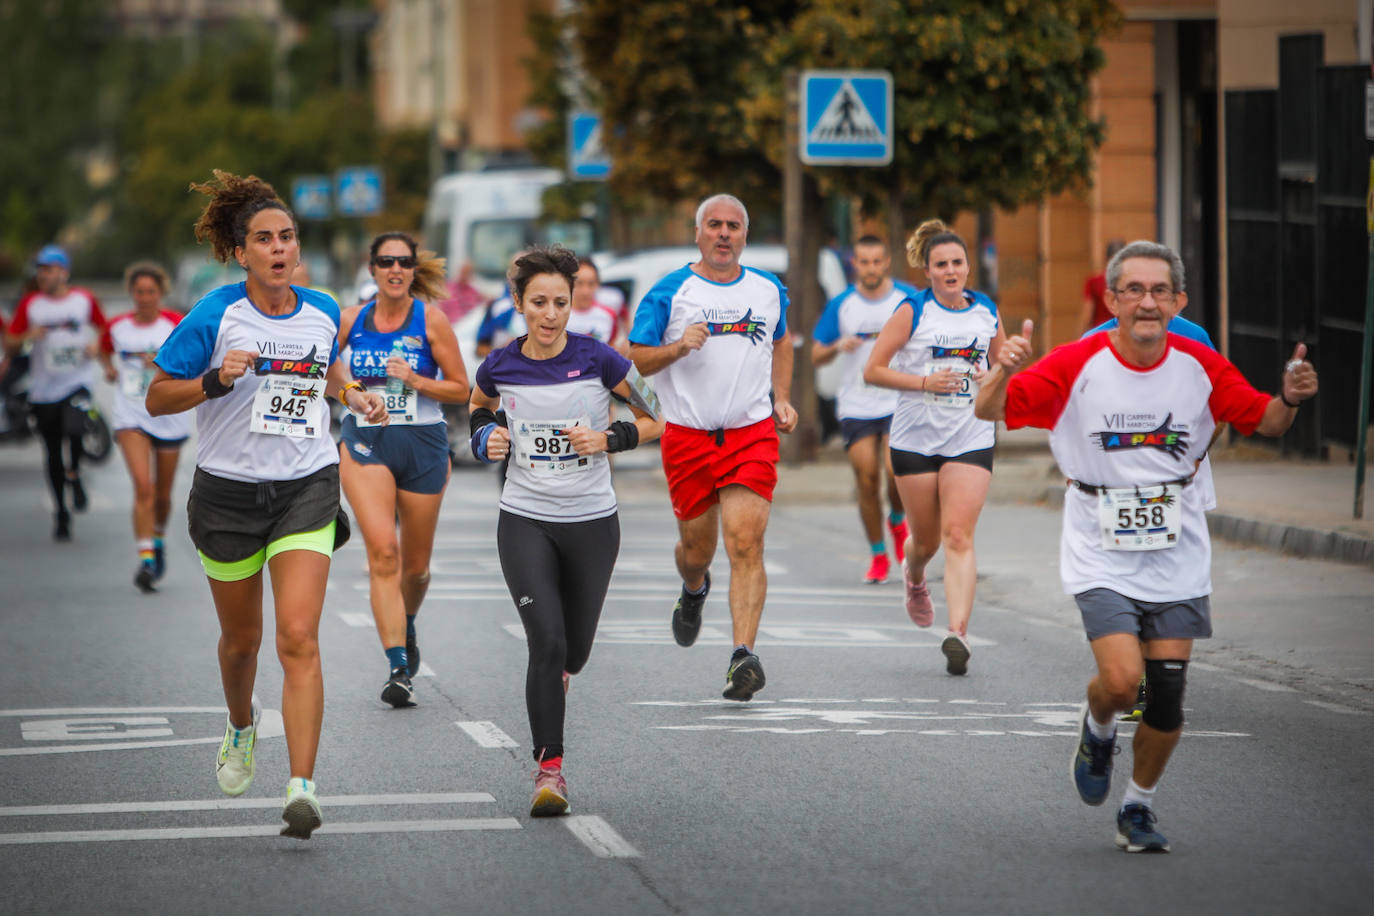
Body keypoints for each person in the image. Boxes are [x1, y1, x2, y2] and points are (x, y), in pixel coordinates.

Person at [974, 239, 1318, 853]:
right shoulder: (1075, 362)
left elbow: (1264, 420)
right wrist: (1003, 367)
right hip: (1098, 540)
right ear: (1111, 300)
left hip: (1176, 544)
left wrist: (1289, 397)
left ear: (1179, 300)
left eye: (1160, 291)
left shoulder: (1199, 362)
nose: (1147, 303)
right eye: (1133, 290)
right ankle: (1098, 724)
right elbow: (990, 410)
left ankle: (1138, 807)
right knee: (1123, 680)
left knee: (1166, 696)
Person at [146, 170, 387, 840]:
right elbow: (156, 397)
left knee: (298, 637)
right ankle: (241, 725)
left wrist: (354, 394)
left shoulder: (321, 309)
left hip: (305, 486)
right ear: (241, 250)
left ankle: (303, 786)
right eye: (264, 239)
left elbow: (328, 370)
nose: (279, 248)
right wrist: (214, 380)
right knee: (241, 644)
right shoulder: (215, 316)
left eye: (287, 237)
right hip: (225, 496)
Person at [468, 245, 662, 816]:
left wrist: (609, 439)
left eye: (561, 302)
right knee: (546, 642)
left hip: (592, 522)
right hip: (524, 517)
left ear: (574, 302)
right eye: (539, 303)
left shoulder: (601, 359)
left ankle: (559, 680)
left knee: (573, 650)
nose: (550, 315)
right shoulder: (500, 364)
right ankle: (549, 771)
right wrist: (486, 439)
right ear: (519, 305)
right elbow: (478, 407)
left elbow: (657, 417)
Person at [628, 193, 797, 701]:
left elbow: (783, 341)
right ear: (698, 232)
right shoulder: (671, 291)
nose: (724, 234)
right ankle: (693, 590)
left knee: (745, 543)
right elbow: (637, 356)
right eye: (715, 225)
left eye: (734, 226)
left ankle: (742, 655)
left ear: (745, 235)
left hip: (751, 433)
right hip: (688, 438)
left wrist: (782, 398)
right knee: (697, 551)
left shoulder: (768, 290)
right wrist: (679, 346)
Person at [862, 220, 1005, 676]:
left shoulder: (986, 311)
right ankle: (915, 575)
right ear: (927, 270)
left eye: (957, 263)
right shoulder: (913, 311)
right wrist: (924, 381)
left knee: (959, 536)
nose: (950, 271)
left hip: (970, 434)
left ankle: (957, 633)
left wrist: (994, 375)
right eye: (941, 264)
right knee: (924, 541)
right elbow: (874, 370)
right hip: (916, 439)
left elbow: (1003, 365)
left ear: (967, 268)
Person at [338, 232, 470, 708]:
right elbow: (328, 370)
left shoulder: (431, 321)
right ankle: (398, 666)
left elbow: (462, 390)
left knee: (415, 570)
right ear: (371, 268)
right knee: (384, 555)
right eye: (386, 261)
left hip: (423, 443)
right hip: (365, 441)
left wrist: (416, 379)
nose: (395, 269)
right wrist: (352, 390)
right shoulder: (350, 320)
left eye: (404, 262)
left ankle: (407, 623)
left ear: (414, 270)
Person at [811, 235, 916, 584]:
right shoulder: (842, 304)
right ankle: (878, 555)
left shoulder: (907, 299)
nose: (870, 268)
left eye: (877, 261)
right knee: (867, 478)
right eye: (864, 262)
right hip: (856, 402)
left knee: (894, 471)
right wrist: (839, 346)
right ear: (854, 264)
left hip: (897, 398)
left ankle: (899, 522)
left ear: (886, 262)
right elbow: (815, 354)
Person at [98, 262, 192, 591]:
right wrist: (108, 369)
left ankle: (159, 537)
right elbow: (103, 349)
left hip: (168, 415)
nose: (145, 298)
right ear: (132, 293)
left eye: (151, 292)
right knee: (144, 488)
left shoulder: (176, 324)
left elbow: (194, 357)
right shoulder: (117, 326)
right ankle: (146, 560)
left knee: (163, 495)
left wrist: (165, 364)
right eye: (139, 292)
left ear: (160, 294)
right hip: (131, 415)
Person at [3, 245, 108, 541]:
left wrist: (97, 346)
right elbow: (10, 344)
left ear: (64, 272)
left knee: (75, 431)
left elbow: (104, 328)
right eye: (40, 270)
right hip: (44, 390)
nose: (43, 276)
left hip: (77, 382)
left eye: (49, 270)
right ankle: (61, 512)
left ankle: (74, 472)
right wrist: (27, 337)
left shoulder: (83, 300)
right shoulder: (30, 304)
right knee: (51, 452)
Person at [566, 256, 626, 353]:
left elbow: (611, 350)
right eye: (580, 283)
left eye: (591, 284)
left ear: (598, 284)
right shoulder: (559, 314)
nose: (585, 291)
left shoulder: (609, 315)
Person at [1080, 239, 1125, 335]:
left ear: (1106, 259)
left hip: (1099, 334)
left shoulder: (1094, 282)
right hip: (1123, 335)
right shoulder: (1131, 284)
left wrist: (1080, 338)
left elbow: (1087, 315)